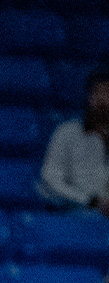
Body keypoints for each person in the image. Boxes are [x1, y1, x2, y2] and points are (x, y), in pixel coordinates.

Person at [40, 66, 109, 214]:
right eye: (97, 92)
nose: (102, 100)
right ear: (88, 96)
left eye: (107, 93)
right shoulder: (67, 133)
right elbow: (50, 178)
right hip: (75, 216)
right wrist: (90, 201)